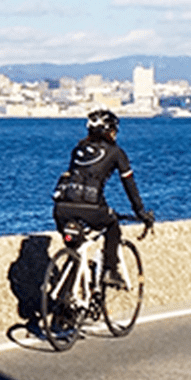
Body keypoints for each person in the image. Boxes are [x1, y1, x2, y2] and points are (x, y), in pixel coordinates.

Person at [51, 109, 154, 286]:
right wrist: (140, 212)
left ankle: (67, 297)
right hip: (90, 207)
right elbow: (129, 185)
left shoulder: (78, 149)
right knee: (112, 224)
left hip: (62, 208)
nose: (115, 134)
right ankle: (110, 270)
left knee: (76, 246)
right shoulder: (116, 152)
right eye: (114, 130)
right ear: (109, 131)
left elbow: (75, 179)